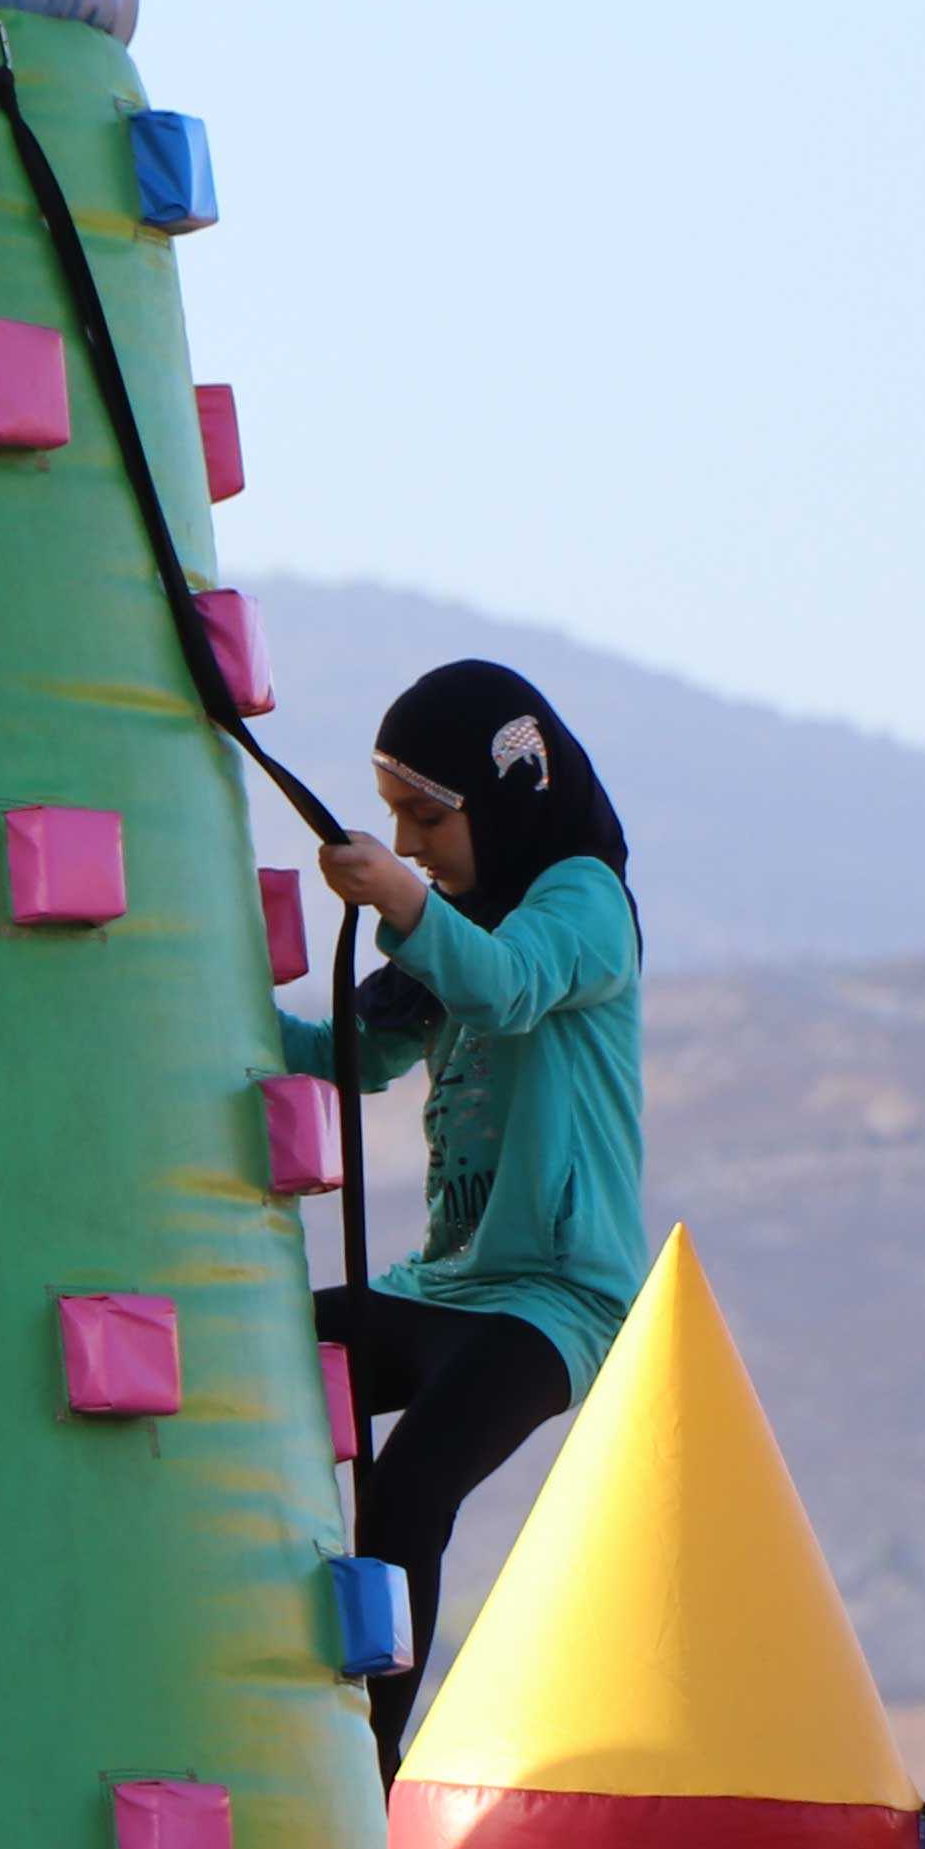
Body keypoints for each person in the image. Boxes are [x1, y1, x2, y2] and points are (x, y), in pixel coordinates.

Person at [293, 656, 646, 1770]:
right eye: (396, 819)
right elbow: (354, 1057)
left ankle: (370, 1767)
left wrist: (400, 905)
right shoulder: (448, 921)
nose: (410, 846)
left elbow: (507, 986)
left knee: (411, 1488)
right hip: (443, 1288)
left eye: (428, 818)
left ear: (507, 795)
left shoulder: (582, 901)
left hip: (551, 1305)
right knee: (257, 1354)